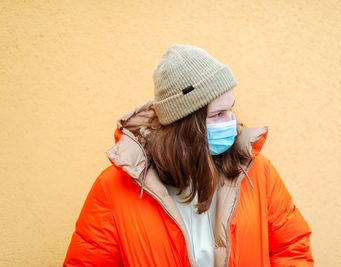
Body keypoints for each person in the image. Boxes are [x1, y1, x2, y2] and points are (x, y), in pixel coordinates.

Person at [64, 44, 314, 266]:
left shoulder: (257, 173)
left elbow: (291, 249)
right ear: (185, 125)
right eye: (218, 114)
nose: (232, 122)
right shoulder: (114, 188)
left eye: (231, 109)